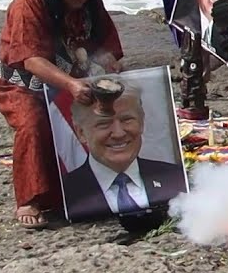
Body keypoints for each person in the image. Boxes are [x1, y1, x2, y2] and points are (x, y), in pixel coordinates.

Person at [0, 0, 123, 228]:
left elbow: (105, 44)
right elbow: (31, 59)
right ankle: (31, 199)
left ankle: (94, 187)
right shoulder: (29, 1)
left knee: (100, 120)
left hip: (71, 77)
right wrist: (72, 85)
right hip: (20, 82)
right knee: (34, 125)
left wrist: (109, 64)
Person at [62, 76, 188, 221]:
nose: (119, 133)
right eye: (104, 123)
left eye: (127, 119)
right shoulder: (66, 193)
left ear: (141, 122)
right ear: (81, 133)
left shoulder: (176, 178)